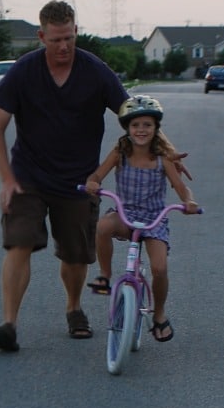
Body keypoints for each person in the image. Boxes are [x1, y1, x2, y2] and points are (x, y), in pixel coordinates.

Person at [0, 0, 189, 352]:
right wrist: (6, 178)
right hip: (28, 175)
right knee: (19, 242)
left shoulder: (95, 71)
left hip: (78, 179)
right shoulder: (24, 70)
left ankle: (74, 308)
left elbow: (134, 117)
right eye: (55, 40)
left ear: (76, 31)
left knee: (76, 256)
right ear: (41, 36)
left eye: (68, 38)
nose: (63, 47)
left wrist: (167, 151)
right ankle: (9, 324)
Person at [84, 96, 199, 343]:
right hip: (125, 215)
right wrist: (93, 183)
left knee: (159, 268)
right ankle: (104, 275)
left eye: (147, 125)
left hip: (154, 219)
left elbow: (180, 188)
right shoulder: (120, 152)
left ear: (156, 128)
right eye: (135, 125)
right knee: (102, 226)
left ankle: (159, 315)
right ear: (127, 128)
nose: (141, 130)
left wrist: (189, 201)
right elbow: (98, 173)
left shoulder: (163, 157)